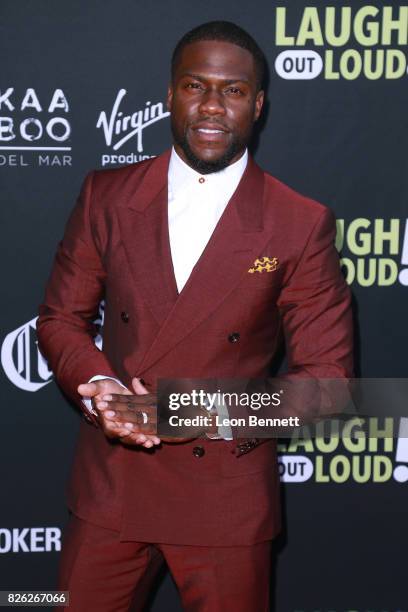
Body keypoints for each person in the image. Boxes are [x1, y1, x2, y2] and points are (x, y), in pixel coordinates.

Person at [37, 20, 353, 612]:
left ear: (257, 105)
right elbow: (59, 319)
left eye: (233, 90)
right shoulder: (106, 195)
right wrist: (102, 388)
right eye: (194, 85)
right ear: (169, 94)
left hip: (224, 499)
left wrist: (187, 410)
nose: (212, 105)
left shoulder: (298, 222)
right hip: (113, 487)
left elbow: (327, 386)